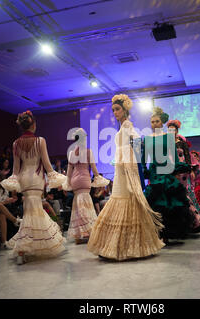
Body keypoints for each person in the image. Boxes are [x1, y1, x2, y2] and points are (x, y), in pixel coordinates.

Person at [87, 94, 165, 261]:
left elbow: (137, 143)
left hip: (126, 169)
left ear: (125, 110)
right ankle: (119, 245)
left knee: (126, 199)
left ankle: (129, 246)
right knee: (120, 198)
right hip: (121, 169)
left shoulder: (128, 125)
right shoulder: (123, 127)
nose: (115, 112)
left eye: (117, 109)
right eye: (113, 110)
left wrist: (129, 164)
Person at [1, 110, 67, 265]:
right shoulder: (40, 140)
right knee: (35, 212)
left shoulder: (16, 143)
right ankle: (27, 248)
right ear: (34, 125)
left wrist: (13, 182)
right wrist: (54, 175)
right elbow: (46, 163)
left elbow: (16, 169)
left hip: (24, 178)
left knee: (29, 212)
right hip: (36, 179)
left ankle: (25, 249)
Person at [142, 108, 192, 245]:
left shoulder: (168, 137)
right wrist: (144, 170)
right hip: (154, 173)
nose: (154, 124)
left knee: (168, 202)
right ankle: (156, 234)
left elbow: (175, 158)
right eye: (152, 122)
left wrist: (177, 170)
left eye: (157, 121)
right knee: (155, 202)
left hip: (167, 171)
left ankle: (167, 234)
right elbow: (143, 158)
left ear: (162, 122)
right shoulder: (146, 139)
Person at [64, 128, 108, 244]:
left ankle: (78, 235)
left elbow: (69, 171)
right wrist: (99, 178)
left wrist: (67, 183)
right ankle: (90, 231)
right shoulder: (88, 152)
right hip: (84, 179)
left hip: (75, 181)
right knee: (86, 205)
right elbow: (93, 168)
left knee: (77, 207)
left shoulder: (72, 153)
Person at [167, 120, 200, 233]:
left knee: (186, 194)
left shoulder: (182, 143)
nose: (171, 132)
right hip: (171, 171)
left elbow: (187, 157)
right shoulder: (167, 143)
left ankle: (195, 223)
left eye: (173, 130)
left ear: (177, 131)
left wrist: (190, 170)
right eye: (169, 130)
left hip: (183, 171)